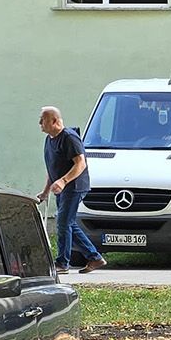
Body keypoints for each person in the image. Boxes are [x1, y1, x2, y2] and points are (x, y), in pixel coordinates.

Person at [37, 106, 105, 273]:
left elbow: (80, 163)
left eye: (43, 119)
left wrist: (64, 180)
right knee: (67, 222)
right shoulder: (50, 139)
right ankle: (94, 257)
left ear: (55, 121)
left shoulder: (69, 137)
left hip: (74, 186)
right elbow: (52, 168)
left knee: (63, 222)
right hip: (62, 187)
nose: (40, 123)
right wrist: (46, 191)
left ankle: (62, 263)